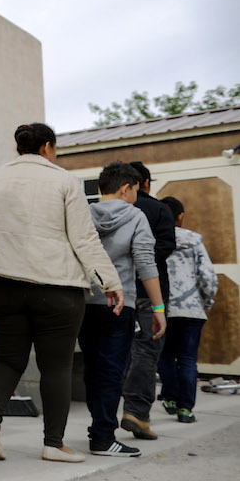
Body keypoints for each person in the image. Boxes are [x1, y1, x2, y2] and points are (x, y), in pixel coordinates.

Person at [0, 124, 122, 464]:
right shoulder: (64, 181)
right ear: (48, 147)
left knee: (7, 358)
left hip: (2, 285)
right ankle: (53, 443)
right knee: (56, 366)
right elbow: (83, 238)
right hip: (56, 287)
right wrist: (110, 282)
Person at [77, 162, 166, 458]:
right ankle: (103, 436)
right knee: (112, 370)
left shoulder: (84, 213)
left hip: (85, 302)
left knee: (91, 368)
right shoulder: (135, 216)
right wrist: (158, 307)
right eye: (136, 192)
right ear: (126, 187)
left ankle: (98, 428)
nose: (137, 198)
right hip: (119, 305)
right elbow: (145, 263)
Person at [119, 162, 177, 441]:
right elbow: (164, 249)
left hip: (114, 289)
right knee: (146, 351)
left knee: (112, 351)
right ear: (144, 183)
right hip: (149, 293)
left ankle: (103, 421)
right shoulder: (159, 209)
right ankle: (136, 412)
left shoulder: (107, 209)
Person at [156, 196, 217, 424]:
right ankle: (185, 409)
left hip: (164, 310)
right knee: (188, 359)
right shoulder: (194, 242)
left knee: (165, 356)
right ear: (180, 216)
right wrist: (205, 303)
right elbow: (208, 277)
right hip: (192, 311)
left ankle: (170, 398)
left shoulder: (155, 241)